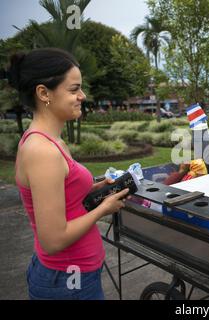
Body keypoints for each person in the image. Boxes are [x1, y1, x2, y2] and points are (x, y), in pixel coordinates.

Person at [8, 48, 130, 300]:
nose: (82, 96)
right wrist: (103, 209)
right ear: (44, 93)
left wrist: (94, 189)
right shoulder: (42, 150)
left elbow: (63, 196)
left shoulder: (51, 141)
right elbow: (53, 240)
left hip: (73, 277)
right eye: (74, 89)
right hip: (67, 282)